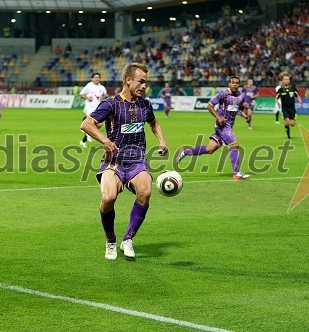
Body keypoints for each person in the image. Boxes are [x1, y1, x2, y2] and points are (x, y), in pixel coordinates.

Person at [80, 63, 168, 260]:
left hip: (137, 159)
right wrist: (105, 140)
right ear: (128, 81)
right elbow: (86, 124)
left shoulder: (145, 105)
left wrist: (162, 140)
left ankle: (128, 239)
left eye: (145, 82)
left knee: (145, 192)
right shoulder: (110, 104)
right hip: (114, 161)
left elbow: (154, 122)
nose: (144, 86)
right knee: (108, 198)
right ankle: (110, 240)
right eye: (141, 81)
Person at [175, 76, 251, 180]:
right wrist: (218, 117)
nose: (235, 84)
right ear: (229, 84)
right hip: (222, 126)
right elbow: (209, 105)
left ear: (239, 85)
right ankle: (237, 173)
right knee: (234, 145)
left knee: (210, 149)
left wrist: (245, 116)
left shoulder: (240, 96)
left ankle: (184, 152)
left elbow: (238, 108)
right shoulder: (223, 94)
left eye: (237, 83)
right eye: (233, 82)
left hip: (227, 126)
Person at [79, 73, 108, 148]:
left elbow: (105, 95)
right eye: (95, 77)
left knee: (100, 123)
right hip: (89, 106)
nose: (97, 79)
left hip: (97, 107)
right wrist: (87, 98)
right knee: (91, 122)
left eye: (98, 77)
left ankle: (85, 138)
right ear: (92, 79)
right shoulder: (89, 86)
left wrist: (106, 96)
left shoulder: (102, 87)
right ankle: (86, 131)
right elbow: (81, 94)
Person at [275, 74, 303, 139]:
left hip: (292, 108)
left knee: (292, 124)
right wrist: (278, 103)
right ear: (283, 81)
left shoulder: (293, 88)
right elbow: (276, 97)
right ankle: (288, 136)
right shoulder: (280, 90)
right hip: (284, 108)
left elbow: (297, 96)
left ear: (289, 80)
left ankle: (288, 124)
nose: (286, 81)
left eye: (287, 79)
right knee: (287, 122)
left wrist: (300, 102)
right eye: (285, 79)